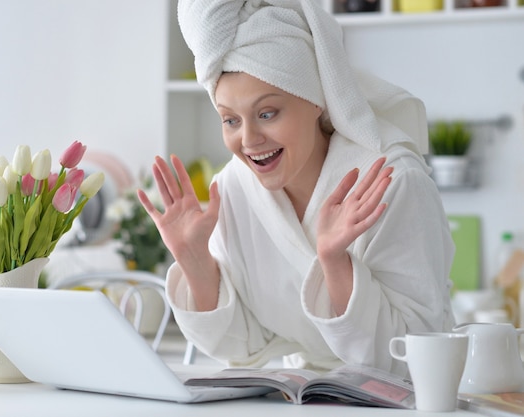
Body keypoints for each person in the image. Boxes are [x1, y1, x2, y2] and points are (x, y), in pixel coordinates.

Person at [138, 0, 455, 376]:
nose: (249, 140)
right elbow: (245, 346)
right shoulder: (235, 189)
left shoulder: (390, 180)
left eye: (267, 113)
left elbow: (416, 355)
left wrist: (335, 265)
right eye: (230, 120)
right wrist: (194, 260)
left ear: (317, 100)